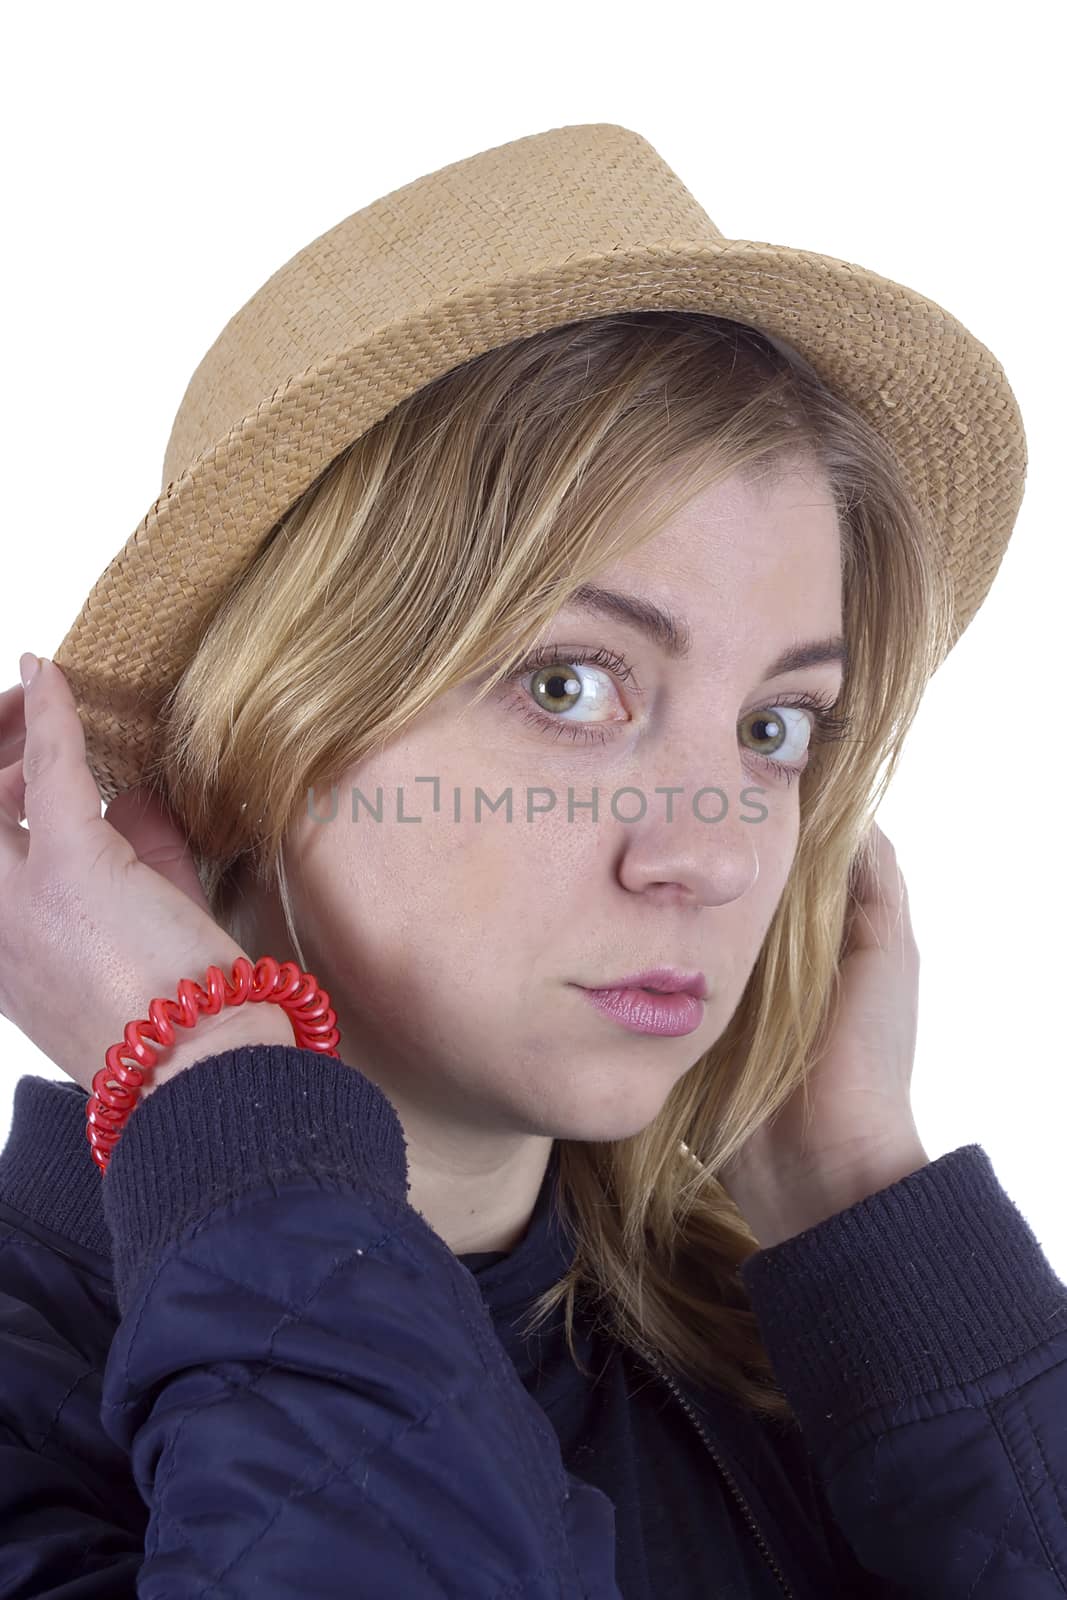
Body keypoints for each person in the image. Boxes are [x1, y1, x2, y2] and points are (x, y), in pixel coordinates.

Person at [1, 123, 1063, 1597]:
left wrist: (855, 1197)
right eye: (570, 686)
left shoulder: (781, 1365)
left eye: (775, 723)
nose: (709, 855)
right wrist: (208, 1078)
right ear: (249, 746)